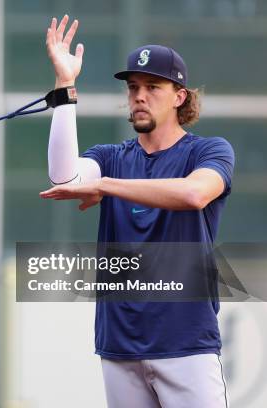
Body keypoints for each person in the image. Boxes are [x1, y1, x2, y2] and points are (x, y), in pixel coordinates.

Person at [40, 16, 234, 408]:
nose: (139, 96)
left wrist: (105, 186)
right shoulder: (111, 157)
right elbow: (64, 176)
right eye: (133, 88)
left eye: (152, 87)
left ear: (179, 96)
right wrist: (64, 87)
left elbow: (196, 193)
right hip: (119, 344)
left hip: (186, 343)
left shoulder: (208, 150)